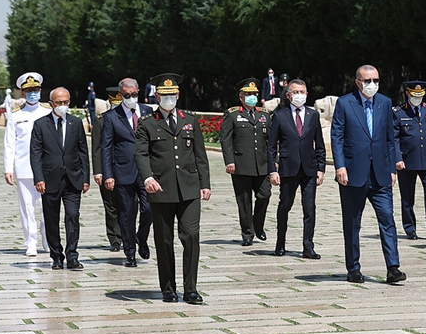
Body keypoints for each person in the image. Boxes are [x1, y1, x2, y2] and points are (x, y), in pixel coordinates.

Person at [134, 73, 211, 304]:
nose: (169, 98)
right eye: (164, 95)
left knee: (191, 236)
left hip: (188, 189)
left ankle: (191, 289)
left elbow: (200, 154)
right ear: (157, 96)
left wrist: (205, 184)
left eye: (172, 95)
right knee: (164, 241)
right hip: (161, 189)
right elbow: (140, 153)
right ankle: (168, 287)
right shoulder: (147, 122)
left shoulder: (190, 119)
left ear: (178, 95)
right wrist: (147, 178)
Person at [330, 64, 406, 284]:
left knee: (388, 219)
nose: (372, 84)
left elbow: (390, 140)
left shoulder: (385, 103)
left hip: (380, 174)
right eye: (367, 81)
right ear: (358, 82)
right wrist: (340, 166)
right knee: (352, 223)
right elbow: (337, 137)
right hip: (353, 174)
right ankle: (353, 268)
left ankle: (393, 267)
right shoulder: (345, 103)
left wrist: (392, 168)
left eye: (375, 80)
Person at [30, 87, 90, 271]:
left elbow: (83, 152)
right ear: (51, 104)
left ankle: (72, 256)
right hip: (50, 179)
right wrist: (38, 178)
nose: (63, 106)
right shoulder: (41, 124)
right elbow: (35, 154)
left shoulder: (76, 123)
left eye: (66, 102)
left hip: (73, 179)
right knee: (51, 219)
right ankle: (56, 255)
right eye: (59, 103)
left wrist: (85, 178)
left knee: (72, 216)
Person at [268, 79, 326, 258]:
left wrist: (321, 168)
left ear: (307, 94)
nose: (299, 95)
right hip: (288, 168)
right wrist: (273, 170)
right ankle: (280, 242)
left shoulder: (313, 115)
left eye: (302, 92)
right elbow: (271, 147)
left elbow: (320, 144)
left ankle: (308, 246)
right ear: (288, 95)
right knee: (285, 205)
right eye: (295, 92)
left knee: (309, 208)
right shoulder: (280, 115)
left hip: (309, 169)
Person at [101, 78, 154, 267]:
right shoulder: (111, 117)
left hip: (146, 170)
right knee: (127, 213)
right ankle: (130, 252)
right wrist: (108, 174)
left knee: (149, 209)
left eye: (134, 94)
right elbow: (106, 148)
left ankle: (142, 236)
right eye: (127, 95)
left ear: (138, 91)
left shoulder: (148, 112)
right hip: (123, 170)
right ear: (120, 95)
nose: (131, 98)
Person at [220, 78, 272, 246]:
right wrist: (229, 161)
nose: (252, 97)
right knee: (244, 201)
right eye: (248, 94)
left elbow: (271, 140)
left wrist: (274, 161)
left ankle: (258, 225)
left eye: (254, 94)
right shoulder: (233, 114)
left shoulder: (264, 115)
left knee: (265, 195)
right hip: (241, 164)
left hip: (262, 164)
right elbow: (225, 140)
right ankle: (247, 233)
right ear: (241, 97)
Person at [4, 72, 50, 257]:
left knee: (47, 207)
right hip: (24, 168)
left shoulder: (47, 111)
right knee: (27, 208)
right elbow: (9, 143)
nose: (33, 93)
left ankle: (48, 238)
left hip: (46, 168)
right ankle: (30, 242)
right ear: (23, 93)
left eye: (36, 89)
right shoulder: (16, 115)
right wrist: (8, 168)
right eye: (29, 90)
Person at [393, 80, 426, 240]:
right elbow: (394, 138)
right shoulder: (398, 112)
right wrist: (398, 159)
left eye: (420, 95)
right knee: (408, 197)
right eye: (414, 95)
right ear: (407, 93)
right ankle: (410, 228)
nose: (417, 98)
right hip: (407, 161)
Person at [92, 87, 123, 252]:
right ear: (110, 102)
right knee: (111, 206)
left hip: (127, 169)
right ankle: (115, 239)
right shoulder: (101, 120)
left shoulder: (132, 118)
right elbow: (96, 148)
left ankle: (128, 235)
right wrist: (98, 171)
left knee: (130, 204)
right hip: (107, 168)